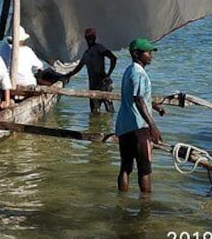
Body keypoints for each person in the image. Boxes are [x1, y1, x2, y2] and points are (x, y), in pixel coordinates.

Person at [115, 37, 167, 194]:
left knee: (125, 167)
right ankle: (146, 208)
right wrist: (153, 126)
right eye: (148, 52)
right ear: (136, 53)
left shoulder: (129, 70)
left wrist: (155, 107)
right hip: (139, 127)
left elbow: (137, 97)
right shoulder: (140, 73)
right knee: (144, 169)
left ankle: (122, 201)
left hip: (124, 126)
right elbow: (138, 100)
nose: (151, 55)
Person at [63, 27, 118, 112]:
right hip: (95, 86)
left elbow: (113, 58)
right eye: (89, 37)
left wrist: (108, 74)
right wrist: (67, 75)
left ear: (94, 38)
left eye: (91, 37)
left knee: (106, 111)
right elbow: (77, 69)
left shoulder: (96, 49)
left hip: (102, 84)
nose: (90, 39)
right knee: (99, 111)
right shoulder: (87, 53)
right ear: (86, 38)